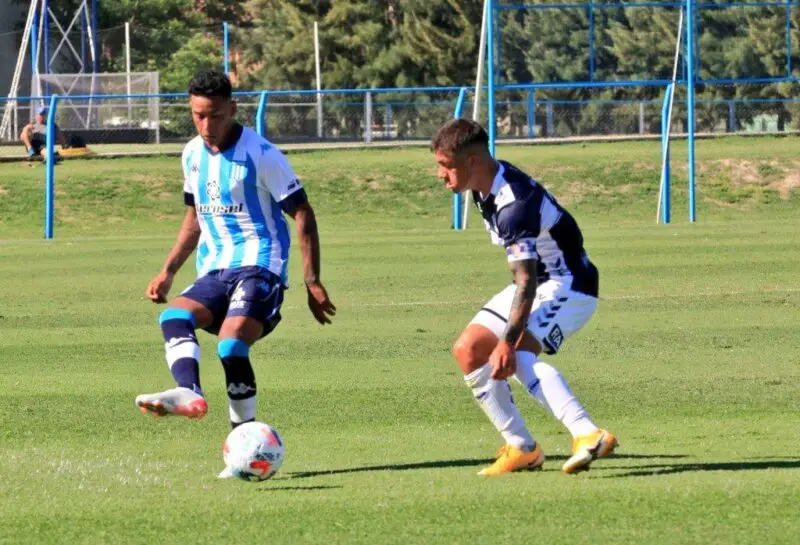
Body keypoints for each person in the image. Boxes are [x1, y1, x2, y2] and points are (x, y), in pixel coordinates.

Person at [135, 71, 336, 468]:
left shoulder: (262, 154)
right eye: (198, 115)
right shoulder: (191, 154)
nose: (206, 125)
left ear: (232, 108)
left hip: (260, 267)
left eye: (214, 115)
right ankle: (189, 392)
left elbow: (302, 212)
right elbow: (195, 217)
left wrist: (312, 280)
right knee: (174, 316)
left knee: (230, 346)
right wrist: (169, 270)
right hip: (216, 269)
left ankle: (240, 449)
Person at [431, 118, 617, 476]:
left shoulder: (512, 204)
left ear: (471, 162)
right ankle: (521, 447)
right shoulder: (483, 186)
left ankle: (588, 434)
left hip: (569, 284)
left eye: (446, 166)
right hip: (537, 280)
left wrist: (507, 340)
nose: (440, 175)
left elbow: (527, 281)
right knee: (468, 350)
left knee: (514, 352)